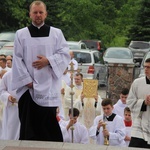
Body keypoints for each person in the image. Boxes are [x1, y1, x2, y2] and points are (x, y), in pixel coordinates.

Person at [11, 0, 70, 141]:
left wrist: (48, 61)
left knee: (48, 128)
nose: (38, 15)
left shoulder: (56, 33)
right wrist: (27, 81)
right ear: (30, 14)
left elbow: (64, 54)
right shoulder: (21, 34)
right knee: (28, 128)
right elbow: (17, 59)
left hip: (49, 86)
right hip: (28, 89)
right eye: (35, 12)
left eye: (41, 12)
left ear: (46, 14)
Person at [127, 58, 150, 148]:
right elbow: (130, 102)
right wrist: (143, 103)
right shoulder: (137, 83)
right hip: (139, 125)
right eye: (145, 67)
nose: (146, 69)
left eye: (149, 67)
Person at [0, 70, 20, 140]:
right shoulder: (7, 75)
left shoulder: (30, 73)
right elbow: (2, 91)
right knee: (11, 131)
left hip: (27, 108)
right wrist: (8, 97)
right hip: (12, 108)